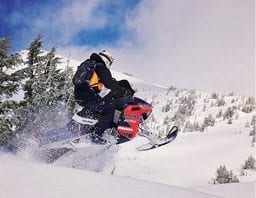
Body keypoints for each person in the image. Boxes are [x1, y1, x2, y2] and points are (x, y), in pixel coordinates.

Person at [72, 50, 134, 140]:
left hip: (80, 95)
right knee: (110, 109)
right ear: (107, 60)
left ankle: (83, 127)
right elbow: (109, 83)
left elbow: (99, 86)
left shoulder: (90, 64)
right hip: (88, 95)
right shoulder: (100, 66)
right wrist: (123, 92)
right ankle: (96, 135)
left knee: (96, 108)